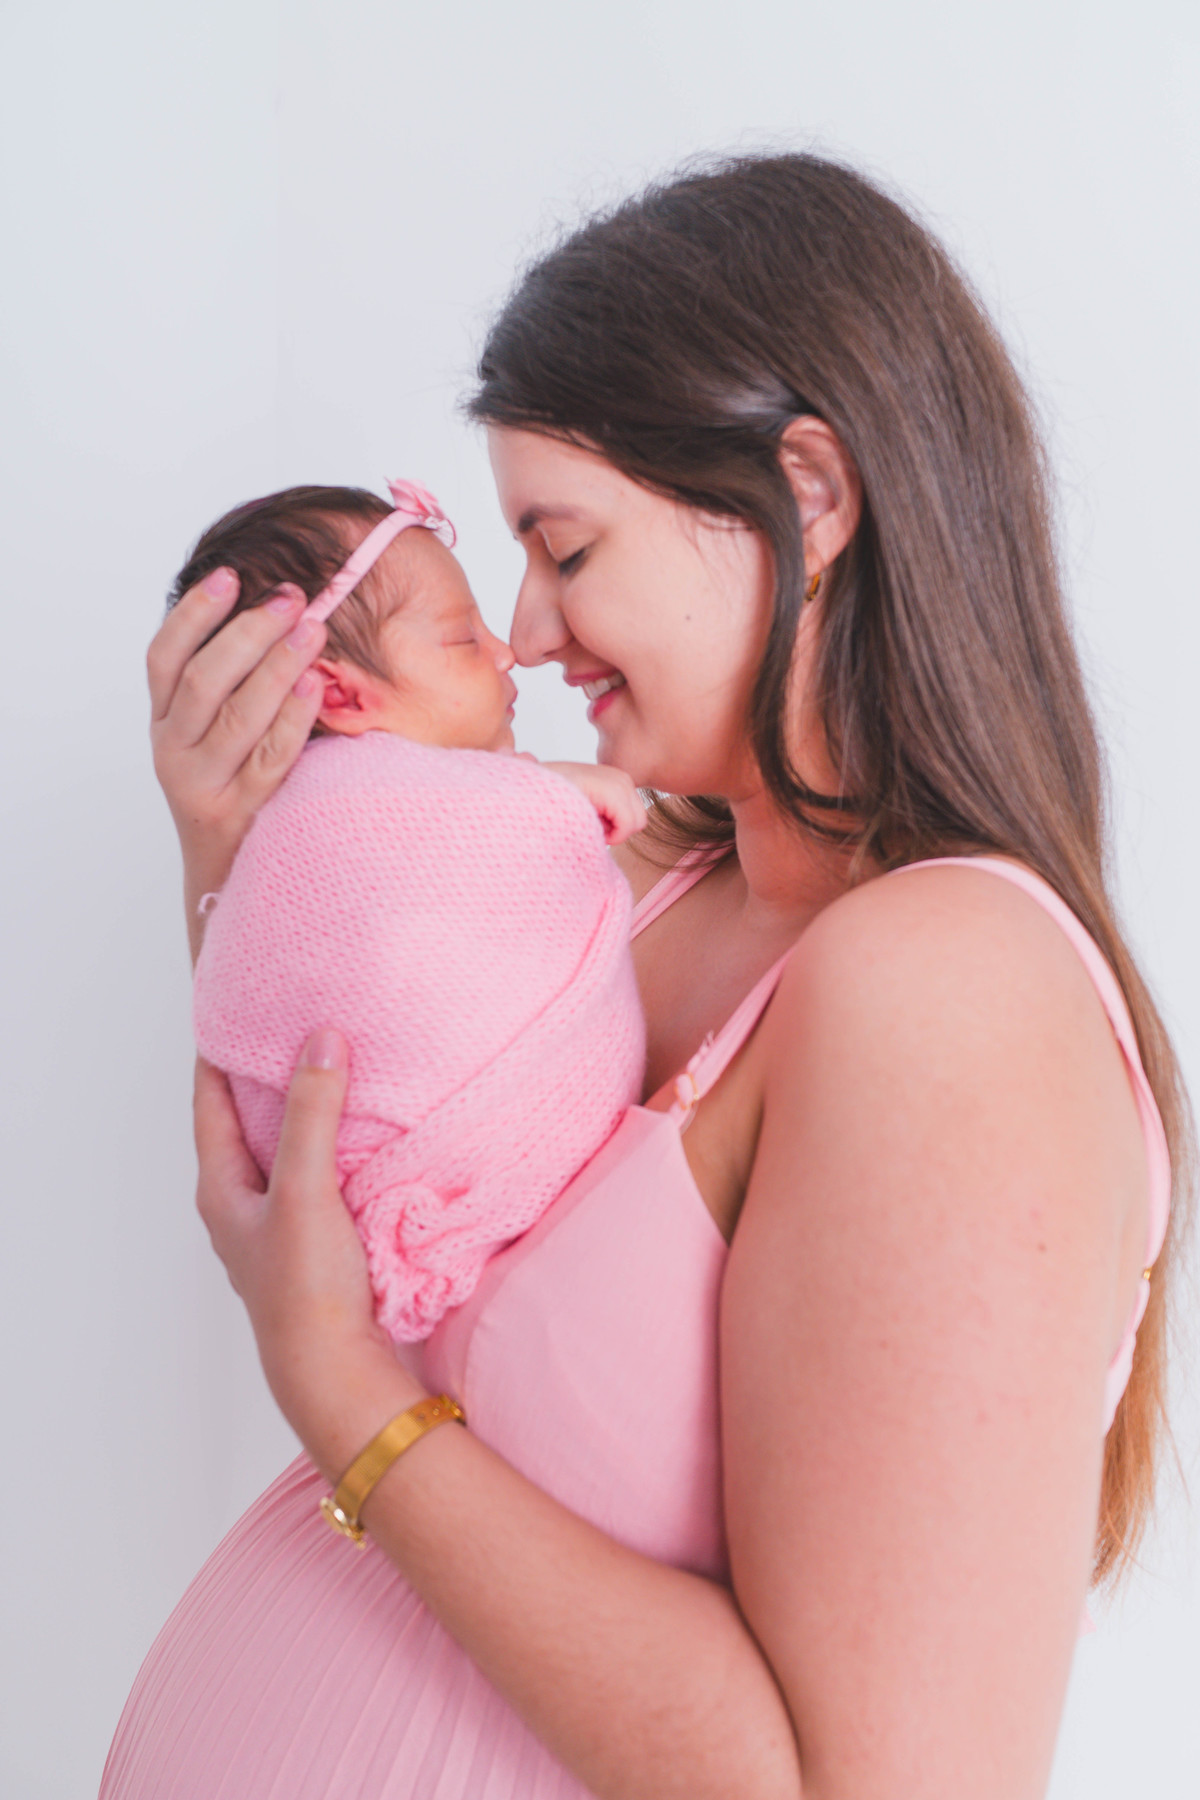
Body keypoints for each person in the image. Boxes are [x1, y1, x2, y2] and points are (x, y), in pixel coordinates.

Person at [101, 152, 1188, 1800]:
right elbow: (338, 1188)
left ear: (807, 494)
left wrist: (341, 1400)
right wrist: (234, 841)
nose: (526, 634)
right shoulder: (634, 886)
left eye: (568, 548)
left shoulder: (952, 995)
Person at [181, 478, 646, 1341]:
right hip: (416, 1159)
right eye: (464, 638)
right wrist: (556, 796)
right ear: (342, 696)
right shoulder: (336, 803)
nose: (508, 652)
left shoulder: (399, 804)